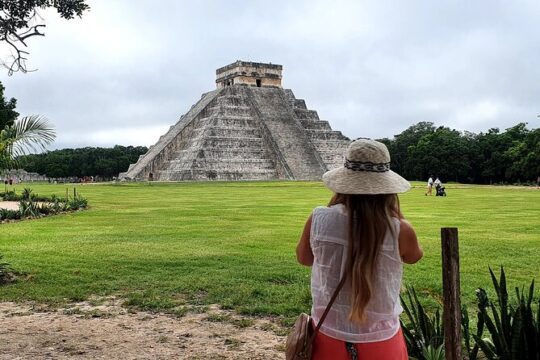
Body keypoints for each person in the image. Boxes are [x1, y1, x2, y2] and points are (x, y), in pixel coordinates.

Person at [296, 139, 423, 360]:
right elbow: (414, 257)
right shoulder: (400, 229)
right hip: (382, 339)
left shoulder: (318, 218)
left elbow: (304, 258)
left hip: (328, 333)